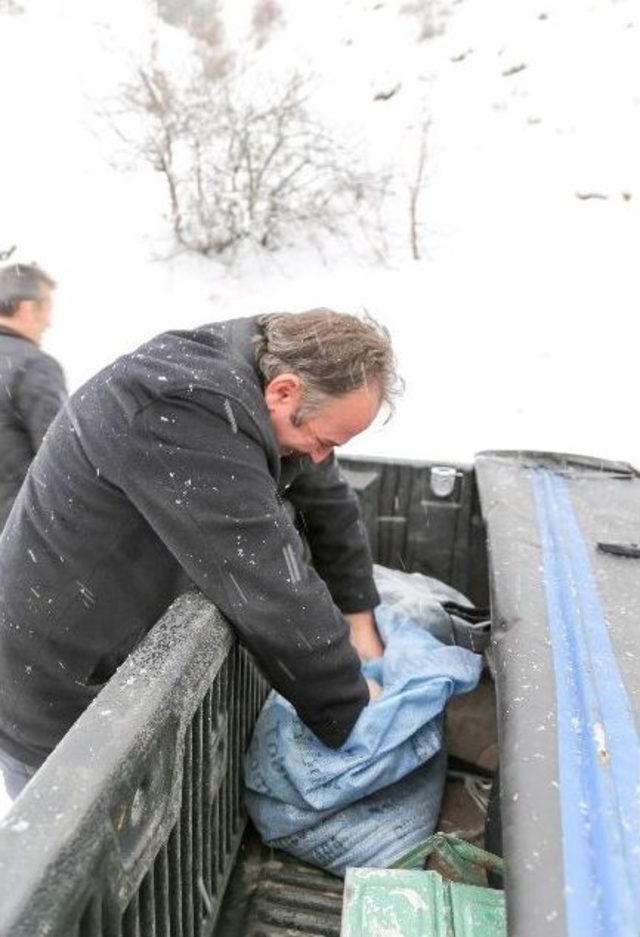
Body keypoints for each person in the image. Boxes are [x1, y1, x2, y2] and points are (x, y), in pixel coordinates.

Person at [0, 309, 399, 800]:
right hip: (60, 678)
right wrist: (354, 705)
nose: (319, 456)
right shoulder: (183, 406)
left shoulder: (273, 374)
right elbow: (268, 580)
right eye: (320, 441)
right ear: (284, 391)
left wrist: (359, 615)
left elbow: (327, 499)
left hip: (125, 643)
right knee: (80, 854)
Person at [0, 263, 67, 532]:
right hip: (19, 538)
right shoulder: (33, 366)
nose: (49, 322)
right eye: (47, 308)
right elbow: (62, 458)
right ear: (27, 307)